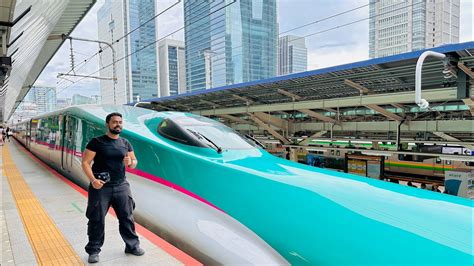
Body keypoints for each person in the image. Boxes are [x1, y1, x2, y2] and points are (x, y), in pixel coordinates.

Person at [81, 112, 144, 263]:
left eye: (120, 122)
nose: (118, 124)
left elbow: (134, 162)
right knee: (96, 219)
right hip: (100, 187)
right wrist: (93, 180)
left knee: (127, 217)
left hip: (121, 185)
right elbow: (85, 163)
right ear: (107, 124)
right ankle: (93, 250)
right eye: (115, 122)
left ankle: (132, 246)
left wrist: (130, 163)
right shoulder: (97, 142)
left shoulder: (125, 143)